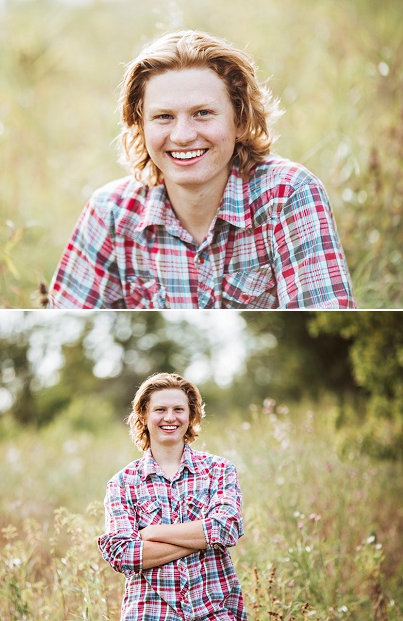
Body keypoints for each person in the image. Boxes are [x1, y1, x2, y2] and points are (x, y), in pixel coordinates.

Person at [48, 30, 355, 309]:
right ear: (140, 128)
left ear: (240, 120)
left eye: (203, 113)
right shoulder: (110, 214)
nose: (182, 135)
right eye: (164, 116)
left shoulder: (288, 195)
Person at [98, 373, 247, 620]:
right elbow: (124, 554)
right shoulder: (122, 484)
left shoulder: (219, 470)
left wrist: (153, 534)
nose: (170, 417)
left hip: (214, 611)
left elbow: (226, 528)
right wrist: (200, 538)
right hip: (149, 612)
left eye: (178, 409)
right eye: (160, 409)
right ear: (144, 416)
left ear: (191, 416)